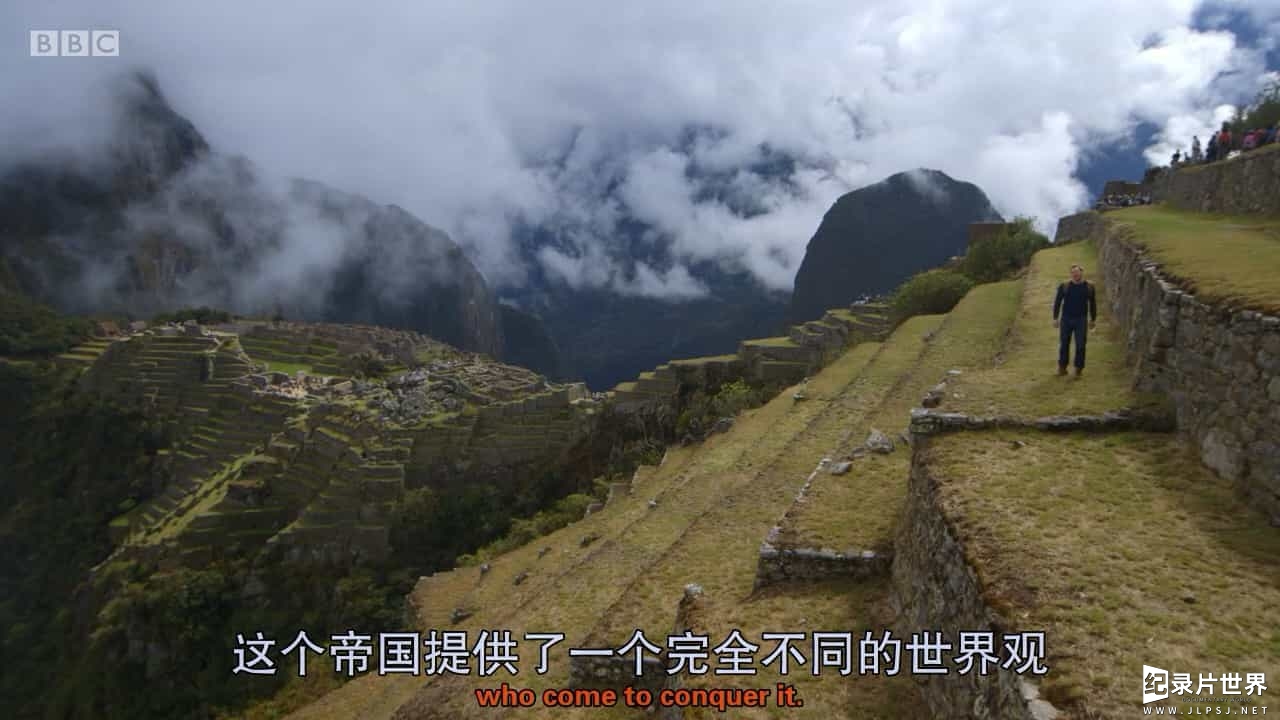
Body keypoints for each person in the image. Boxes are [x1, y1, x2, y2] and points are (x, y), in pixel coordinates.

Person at [1053, 264, 1097, 377]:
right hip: (1066, 319)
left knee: (1081, 344)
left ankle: (1078, 369)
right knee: (1064, 343)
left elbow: (1093, 304)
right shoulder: (1064, 286)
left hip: (1081, 320)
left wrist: (1093, 319)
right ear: (1071, 274)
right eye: (1073, 272)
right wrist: (1055, 318)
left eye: (1077, 272)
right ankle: (1062, 367)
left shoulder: (1089, 287)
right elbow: (1057, 302)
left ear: (1081, 273)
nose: (1075, 274)